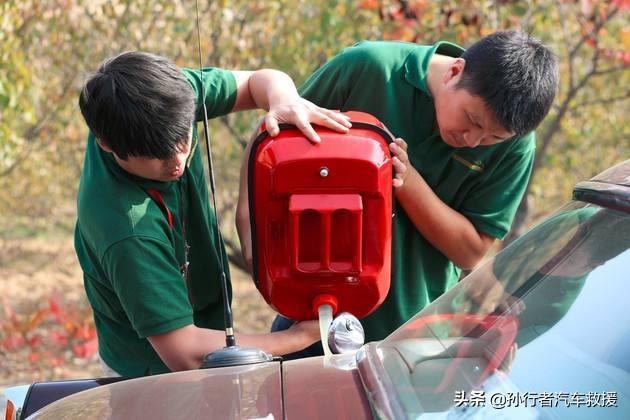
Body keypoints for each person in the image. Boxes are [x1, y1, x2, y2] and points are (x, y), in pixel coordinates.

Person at [236, 30, 559, 355]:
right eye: (471, 120)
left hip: (413, 335)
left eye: (493, 138)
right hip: (312, 319)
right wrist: (250, 236)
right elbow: (270, 138)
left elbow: (471, 251)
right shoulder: (370, 69)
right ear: (454, 71)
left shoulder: (516, 146)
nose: (474, 141)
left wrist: (407, 181)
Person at [75, 51, 354, 377]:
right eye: (157, 157)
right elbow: (184, 352)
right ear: (107, 144)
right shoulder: (126, 228)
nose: (177, 162)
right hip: (150, 375)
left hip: (206, 329)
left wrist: (285, 99)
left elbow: (259, 80)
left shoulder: (164, 98)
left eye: (183, 141)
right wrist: (296, 338)